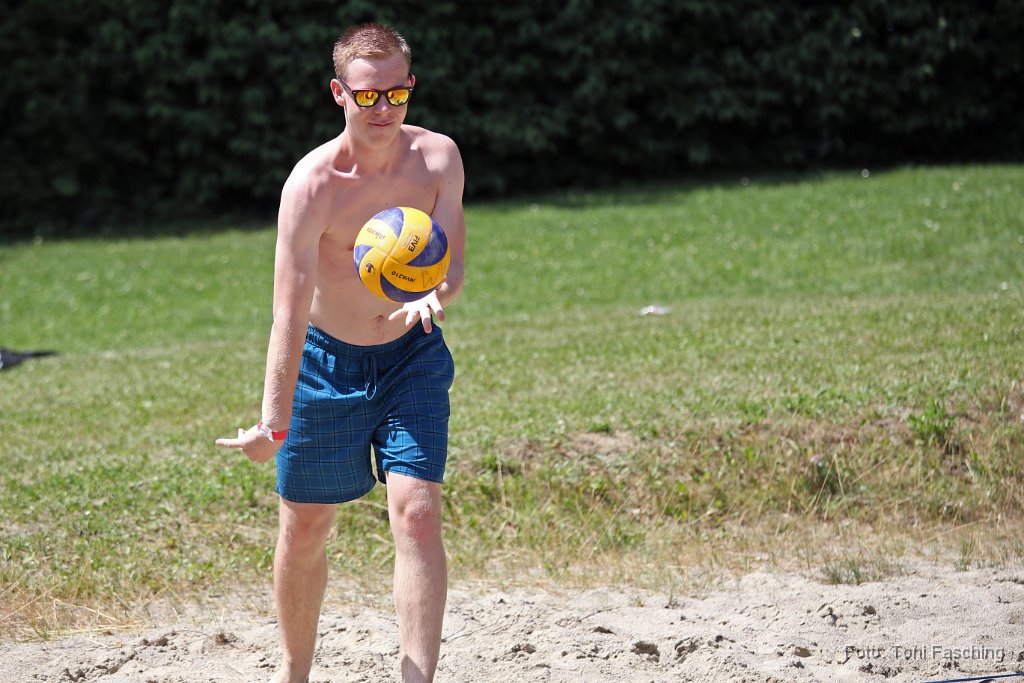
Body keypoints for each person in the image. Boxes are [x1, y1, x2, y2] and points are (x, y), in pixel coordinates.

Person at [216, 22, 465, 683]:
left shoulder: (438, 159)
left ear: (410, 87)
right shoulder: (313, 184)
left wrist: (434, 294)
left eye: (397, 94)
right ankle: (294, 670)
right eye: (367, 95)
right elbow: (289, 311)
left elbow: (452, 269)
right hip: (326, 365)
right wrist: (272, 422)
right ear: (338, 93)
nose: (384, 109)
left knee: (418, 511)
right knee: (306, 528)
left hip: (411, 355)